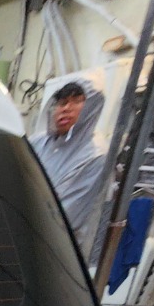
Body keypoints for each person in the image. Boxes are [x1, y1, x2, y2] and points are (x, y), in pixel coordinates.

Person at [30, 77, 107, 259]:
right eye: (62, 102)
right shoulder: (38, 142)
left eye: (77, 101)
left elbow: (61, 217)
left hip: (59, 256)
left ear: (92, 107)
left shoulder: (94, 156)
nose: (66, 108)